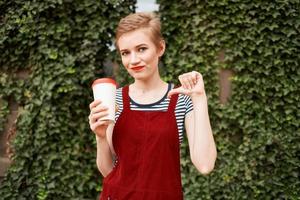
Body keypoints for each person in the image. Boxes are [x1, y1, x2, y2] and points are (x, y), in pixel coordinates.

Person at [88, 12, 217, 200]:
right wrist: (100, 137)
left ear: (160, 48)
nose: (133, 60)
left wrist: (199, 98)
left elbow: (205, 165)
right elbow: (109, 171)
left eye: (141, 49)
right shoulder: (115, 99)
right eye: (125, 53)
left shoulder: (181, 100)